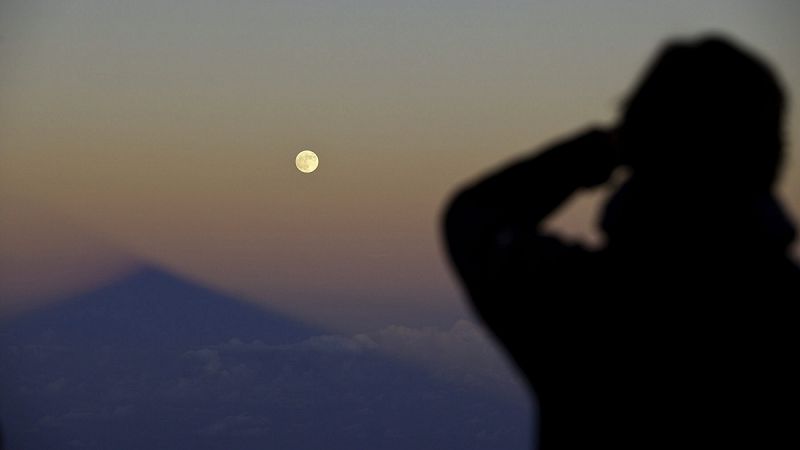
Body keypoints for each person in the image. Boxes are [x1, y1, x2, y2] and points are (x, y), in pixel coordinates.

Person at [443, 35, 799, 449]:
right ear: (771, 158)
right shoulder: (785, 314)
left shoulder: (582, 303)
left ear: (638, 144)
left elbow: (475, 219)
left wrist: (600, 149)